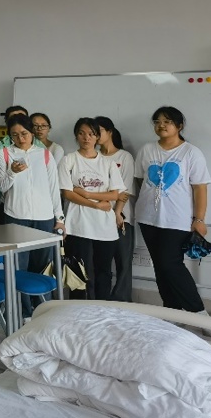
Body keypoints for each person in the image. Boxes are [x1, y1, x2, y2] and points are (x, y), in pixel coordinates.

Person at [133, 106, 210, 314]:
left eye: (167, 121)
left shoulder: (191, 152)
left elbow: (200, 188)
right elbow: (140, 180)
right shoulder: (147, 150)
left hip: (177, 219)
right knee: (159, 266)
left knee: (170, 264)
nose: (161, 125)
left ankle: (199, 313)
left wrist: (199, 219)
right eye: (157, 122)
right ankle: (172, 311)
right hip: (148, 218)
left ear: (179, 126)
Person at [0, 113, 64, 319]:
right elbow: (1, 187)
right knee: (19, 268)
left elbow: (54, 188)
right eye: (15, 135)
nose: (20, 138)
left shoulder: (44, 155)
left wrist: (60, 218)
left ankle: (42, 310)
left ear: (32, 133)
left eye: (24, 133)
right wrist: (12, 172)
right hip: (16, 217)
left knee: (42, 266)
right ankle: (23, 312)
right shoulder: (4, 154)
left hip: (44, 218)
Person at [58, 118, 124, 300]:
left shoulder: (108, 163)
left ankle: (102, 306)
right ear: (76, 136)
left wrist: (86, 194)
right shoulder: (69, 160)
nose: (86, 138)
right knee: (79, 272)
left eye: (91, 134)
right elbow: (67, 193)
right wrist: (95, 204)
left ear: (97, 137)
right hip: (78, 225)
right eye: (81, 133)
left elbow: (114, 195)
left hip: (105, 227)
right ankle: (78, 308)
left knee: (104, 271)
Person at [96, 116, 136, 301]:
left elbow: (125, 189)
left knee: (123, 262)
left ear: (110, 131)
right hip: (97, 216)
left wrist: (117, 212)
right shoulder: (93, 157)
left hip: (121, 217)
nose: (95, 136)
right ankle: (101, 299)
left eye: (99, 131)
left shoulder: (124, 157)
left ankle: (122, 300)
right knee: (100, 262)